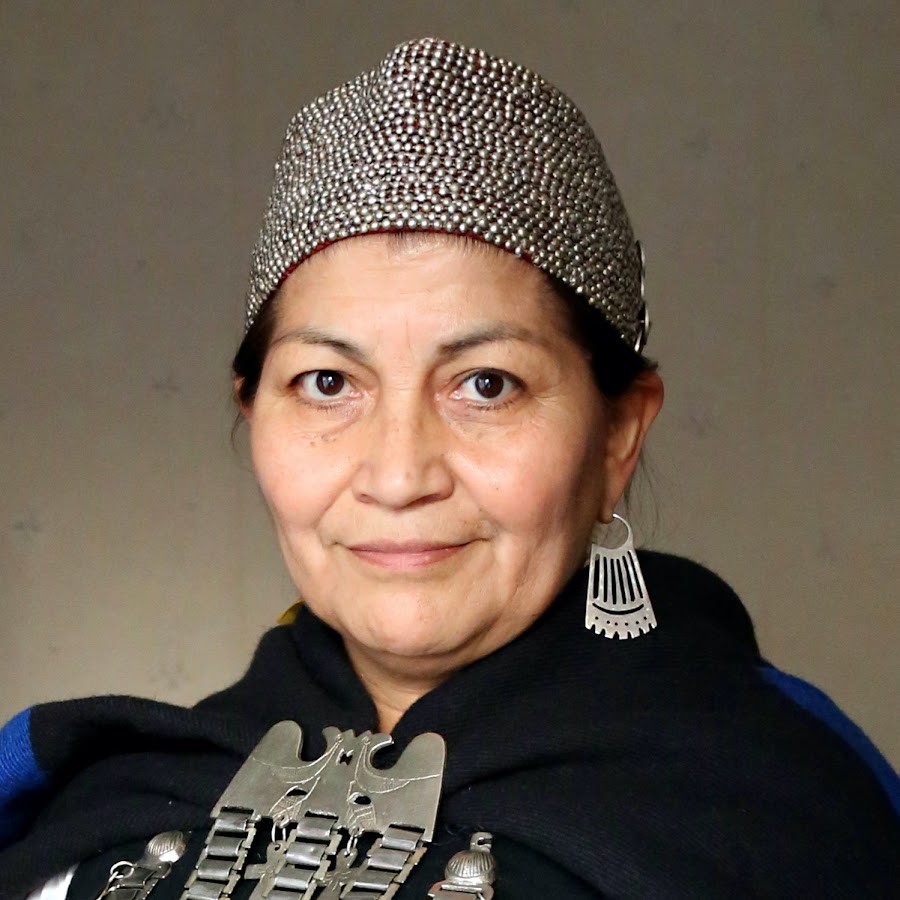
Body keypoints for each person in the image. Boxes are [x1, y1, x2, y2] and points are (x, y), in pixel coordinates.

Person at [1, 37, 897, 900]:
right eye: (327, 383)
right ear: (254, 411)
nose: (398, 476)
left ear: (617, 435)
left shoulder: (779, 814)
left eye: (486, 384)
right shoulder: (102, 810)